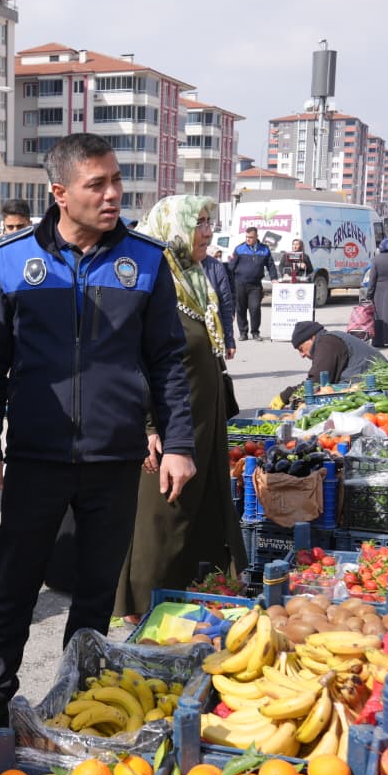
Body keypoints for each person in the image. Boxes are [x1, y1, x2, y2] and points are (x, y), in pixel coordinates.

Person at [0, 132, 196, 756]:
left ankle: (72, 698)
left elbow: (168, 360)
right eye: (98, 184)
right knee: (15, 583)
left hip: (115, 460)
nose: (113, 194)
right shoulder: (9, 262)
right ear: (59, 192)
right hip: (35, 457)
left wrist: (179, 442)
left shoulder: (144, 261)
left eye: (116, 181)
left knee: (95, 589)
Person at [114, 196, 240, 621]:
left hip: (201, 420)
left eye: (209, 222)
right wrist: (148, 425)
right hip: (166, 424)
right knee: (163, 514)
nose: (207, 231)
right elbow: (134, 358)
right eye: (199, 222)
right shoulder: (149, 278)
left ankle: (188, 595)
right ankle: (142, 605)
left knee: (197, 509)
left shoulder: (195, 278)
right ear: (174, 227)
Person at [291, 320, 385, 386]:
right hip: (368, 380)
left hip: (372, 384)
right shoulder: (329, 339)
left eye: (301, 349)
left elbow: (316, 381)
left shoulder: (326, 343)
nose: (302, 355)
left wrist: (286, 395)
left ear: (312, 338)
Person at [229, 227, 276, 340]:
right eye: (246, 237)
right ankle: (243, 333)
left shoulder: (264, 249)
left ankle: (255, 332)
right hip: (240, 283)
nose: (248, 239)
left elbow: (270, 265)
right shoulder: (239, 249)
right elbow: (231, 267)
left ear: (256, 237)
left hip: (255, 285)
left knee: (255, 308)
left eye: (250, 237)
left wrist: (274, 278)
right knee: (240, 309)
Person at [203, 245, 239, 358]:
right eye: (216, 256)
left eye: (220, 256)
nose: (218, 259)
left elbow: (226, 302)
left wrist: (229, 341)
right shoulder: (177, 264)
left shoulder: (216, 267)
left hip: (212, 335)